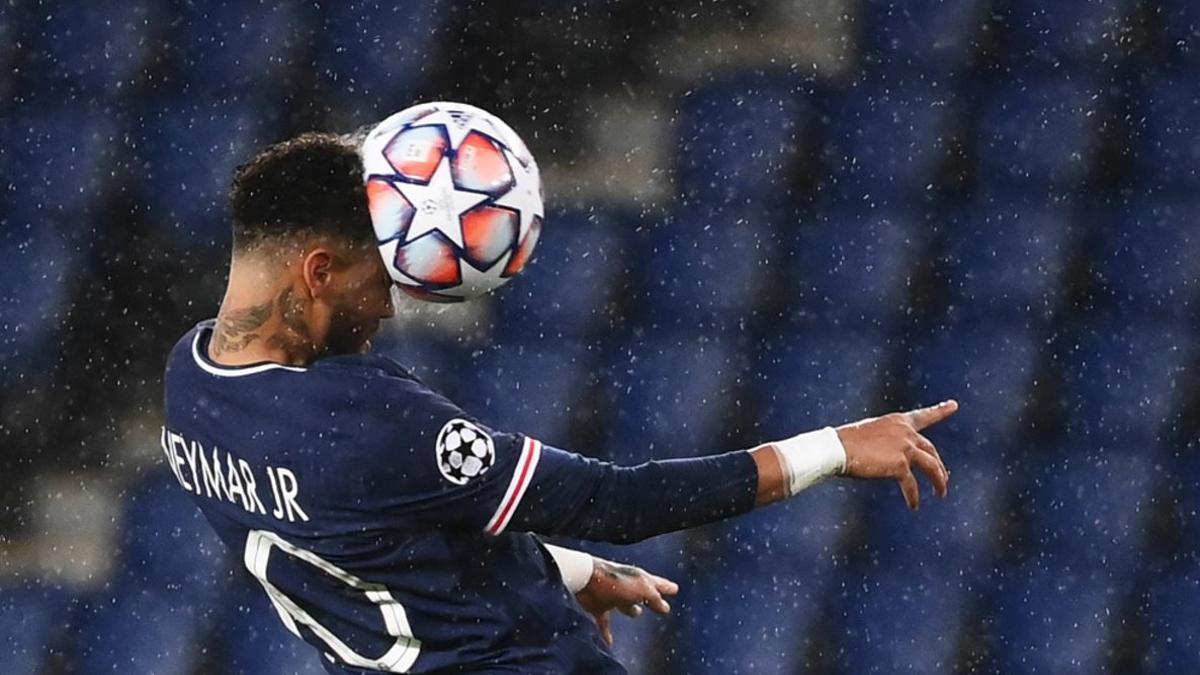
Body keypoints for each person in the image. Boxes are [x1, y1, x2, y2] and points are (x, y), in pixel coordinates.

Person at [161, 132, 957, 674]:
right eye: (383, 278)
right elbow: (617, 499)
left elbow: (373, 543)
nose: (391, 308)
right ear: (320, 270)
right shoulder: (373, 419)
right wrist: (835, 447)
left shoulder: (188, 389)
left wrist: (567, 571)